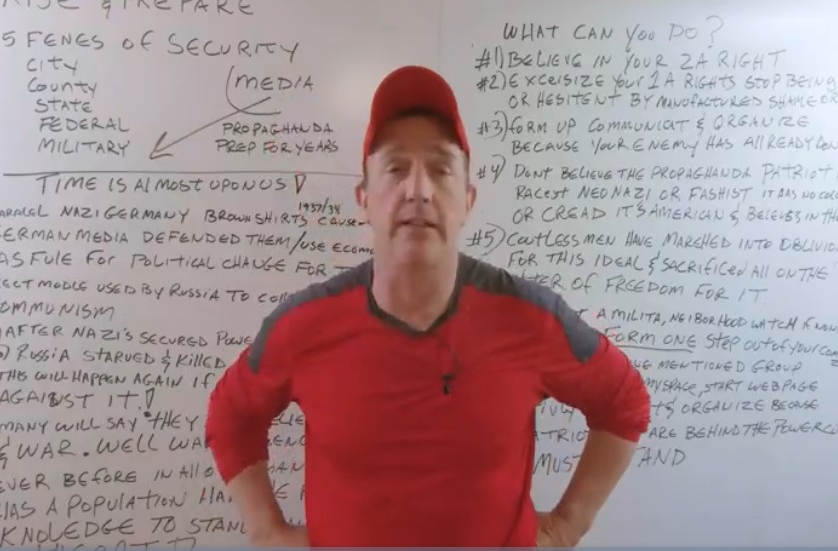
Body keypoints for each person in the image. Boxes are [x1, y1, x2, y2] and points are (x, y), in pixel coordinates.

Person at [204, 64, 652, 547]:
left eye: (440, 169)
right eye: (396, 168)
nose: (417, 190)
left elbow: (623, 402)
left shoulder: (532, 319)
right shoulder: (303, 325)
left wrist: (566, 527)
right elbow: (231, 418)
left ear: (468, 200)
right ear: (364, 198)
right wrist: (268, 532)